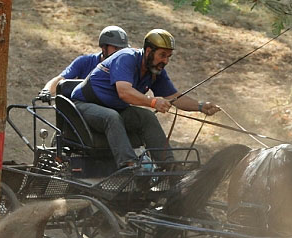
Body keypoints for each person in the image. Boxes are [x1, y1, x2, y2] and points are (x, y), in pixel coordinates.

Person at [70, 28, 221, 169]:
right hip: (84, 105)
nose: (166, 61)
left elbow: (174, 96)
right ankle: (129, 166)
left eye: (168, 57)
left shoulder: (156, 71)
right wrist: (153, 102)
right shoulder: (126, 58)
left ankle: (169, 166)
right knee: (112, 117)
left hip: (115, 108)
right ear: (149, 51)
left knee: (147, 117)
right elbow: (124, 92)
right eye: (162, 55)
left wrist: (200, 106)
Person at [38, 26, 130, 101]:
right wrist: (47, 90)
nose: (119, 53)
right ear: (104, 47)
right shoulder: (85, 61)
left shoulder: (124, 67)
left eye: (122, 49)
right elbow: (61, 78)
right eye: (116, 48)